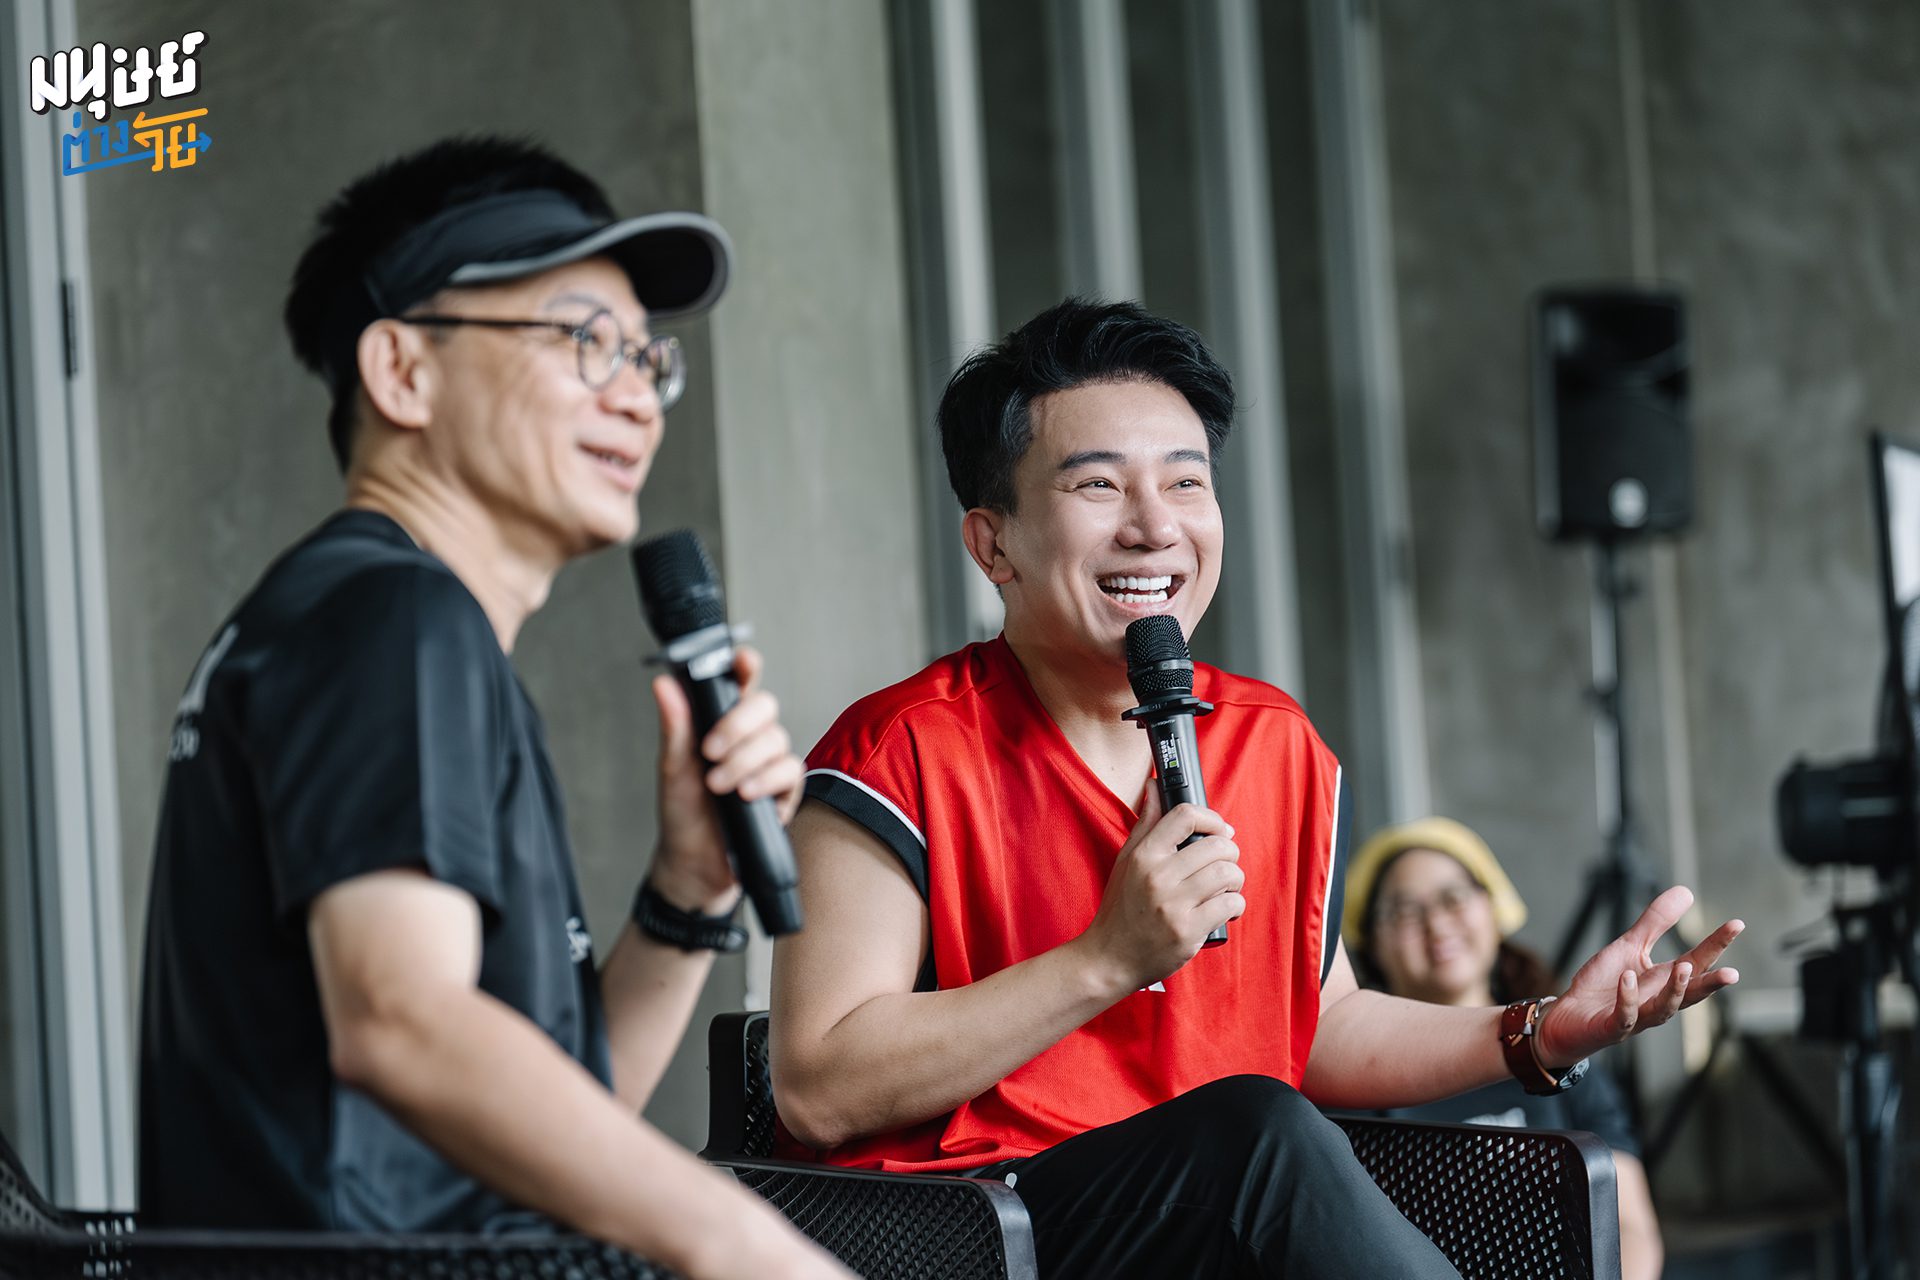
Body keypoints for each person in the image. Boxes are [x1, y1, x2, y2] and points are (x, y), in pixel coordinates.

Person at [771, 297, 1743, 1277]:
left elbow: (1323, 1026)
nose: (1156, 526)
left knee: (1262, 1135)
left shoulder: (1274, 742)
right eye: (1099, 484)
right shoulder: (896, 749)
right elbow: (818, 1086)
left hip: (1208, 1223)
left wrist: (1537, 1031)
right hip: (980, 1232)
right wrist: (1108, 958)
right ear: (993, 544)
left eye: (1185, 482)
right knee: (1256, 1133)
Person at [137, 136, 848, 1280]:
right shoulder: (392, 619)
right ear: (403, 372)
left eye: (646, 357)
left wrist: (687, 892)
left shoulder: (371, 617)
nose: (637, 397)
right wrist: (748, 1248)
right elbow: (401, 1021)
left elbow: (549, 1128)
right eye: (583, 340)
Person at [1348, 817, 1665, 1280]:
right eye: (1404, 911)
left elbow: (1629, 1227)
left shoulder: (1569, 1062)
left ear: (1492, 908)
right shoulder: (1351, 1083)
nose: (1436, 923)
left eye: (1453, 898)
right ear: (1371, 944)